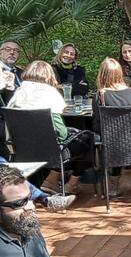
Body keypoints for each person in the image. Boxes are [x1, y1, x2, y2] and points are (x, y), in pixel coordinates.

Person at [7, 60, 95, 196]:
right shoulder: (50, 93)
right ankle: (67, 183)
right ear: (49, 75)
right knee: (87, 138)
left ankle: (53, 179)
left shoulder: (17, 93)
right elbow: (61, 133)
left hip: (22, 150)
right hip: (50, 151)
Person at [93, 57, 131, 196]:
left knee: (108, 140)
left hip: (113, 146)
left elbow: (97, 123)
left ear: (101, 74)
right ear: (120, 73)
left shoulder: (100, 95)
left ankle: (113, 186)